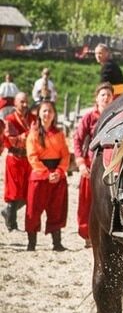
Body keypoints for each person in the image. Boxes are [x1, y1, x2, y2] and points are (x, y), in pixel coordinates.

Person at [25, 100, 70, 251]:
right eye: (44, 111)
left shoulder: (59, 134)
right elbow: (32, 156)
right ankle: (31, 243)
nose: (47, 114)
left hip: (57, 176)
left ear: (54, 114)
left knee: (56, 209)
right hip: (39, 176)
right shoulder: (34, 134)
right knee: (33, 210)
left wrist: (58, 171)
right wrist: (46, 174)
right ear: (38, 113)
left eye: (50, 111)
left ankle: (56, 242)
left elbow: (65, 155)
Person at [73, 82, 114, 245]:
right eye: (103, 94)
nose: (106, 97)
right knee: (86, 202)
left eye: (109, 95)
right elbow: (77, 139)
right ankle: (87, 234)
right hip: (91, 166)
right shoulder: (89, 117)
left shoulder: (117, 116)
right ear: (96, 98)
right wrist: (81, 163)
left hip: (111, 165)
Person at [1, 92, 35, 231]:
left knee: (28, 191)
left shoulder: (32, 118)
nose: (25, 105)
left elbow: (38, 134)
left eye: (26, 101)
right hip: (14, 159)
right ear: (15, 103)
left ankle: (6, 212)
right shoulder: (9, 119)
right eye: (22, 102)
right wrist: (29, 135)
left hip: (29, 158)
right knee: (14, 192)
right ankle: (11, 222)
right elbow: (12, 140)